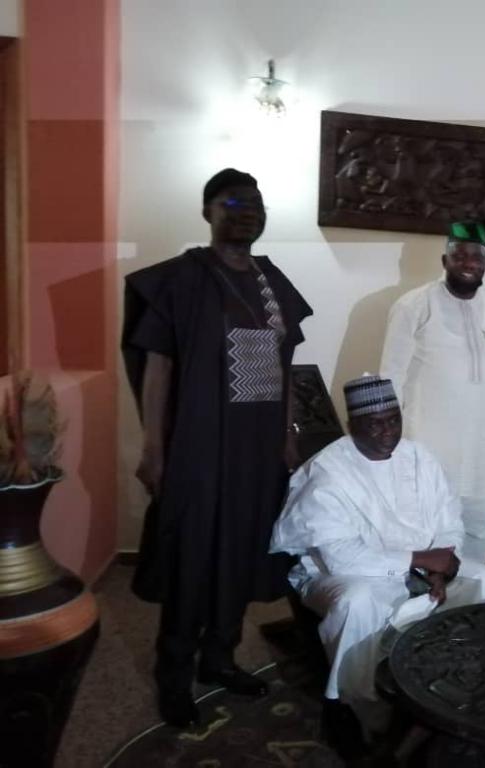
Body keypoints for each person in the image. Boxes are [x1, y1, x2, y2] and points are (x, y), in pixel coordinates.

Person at [121, 168, 313, 728]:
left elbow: (285, 366)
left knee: (242, 551)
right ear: (207, 211)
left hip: (258, 451)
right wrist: (153, 447)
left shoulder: (273, 281)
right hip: (198, 446)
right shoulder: (180, 279)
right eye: (232, 202)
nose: (247, 210)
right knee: (193, 556)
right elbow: (158, 366)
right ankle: (174, 675)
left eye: (255, 203)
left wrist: (288, 434)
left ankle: (220, 658)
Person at [269, 375, 485, 744]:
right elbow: (342, 558)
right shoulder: (328, 472)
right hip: (343, 573)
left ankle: (464, 679)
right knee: (358, 602)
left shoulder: (420, 457)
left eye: (393, 420)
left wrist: (441, 567)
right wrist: (421, 559)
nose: (387, 432)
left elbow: (449, 520)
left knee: (484, 579)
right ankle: (351, 701)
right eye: (375, 423)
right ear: (352, 425)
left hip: (422, 566)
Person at [380, 220, 485, 563]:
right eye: (460, 256)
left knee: (479, 524)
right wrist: (392, 437)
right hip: (427, 440)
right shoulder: (414, 305)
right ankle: (430, 592)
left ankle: (473, 587)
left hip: (483, 442)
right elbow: (391, 375)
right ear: (445, 261)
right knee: (428, 521)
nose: (469, 263)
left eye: (477, 257)